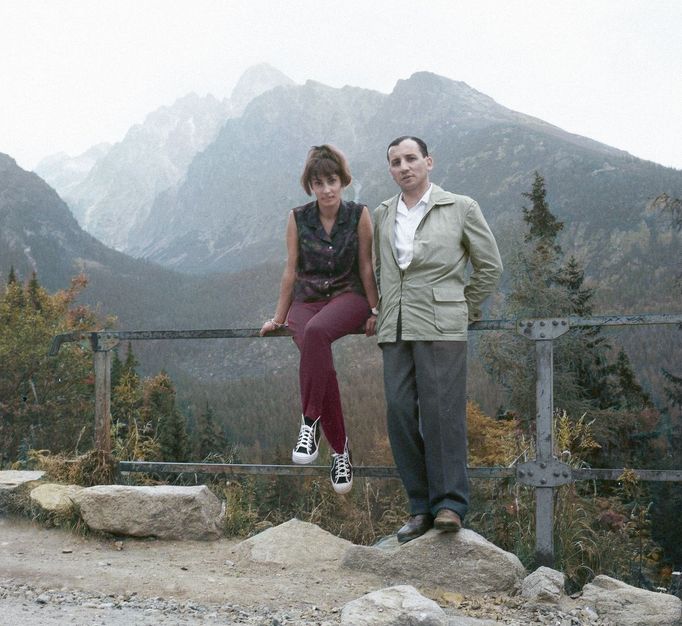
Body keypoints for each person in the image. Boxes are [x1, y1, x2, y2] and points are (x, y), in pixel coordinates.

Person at [373, 136, 502, 543]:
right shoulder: (382, 214)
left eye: (411, 158)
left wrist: (459, 303)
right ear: (390, 169)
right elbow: (380, 268)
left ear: (428, 162)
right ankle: (419, 507)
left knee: (442, 413)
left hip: (441, 325)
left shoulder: (460, 207)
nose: (404, 166)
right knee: (398, 411)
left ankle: (449, 505)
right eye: (395, 162)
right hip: (395, 326)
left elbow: (489, 266)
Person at [260, 144, 379, 494]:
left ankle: (309, 422)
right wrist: (278, 317)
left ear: (343, 181)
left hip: (349, 296)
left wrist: (375, 308)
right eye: (318, 182)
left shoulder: (359, 214)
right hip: (307, 298)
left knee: (316, 332)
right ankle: (340, 450)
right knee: (317, 350)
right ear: (309, 185)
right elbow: (290, 269)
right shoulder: (298, 217)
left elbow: (366, 266)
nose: (326, 189)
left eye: (332, 181)